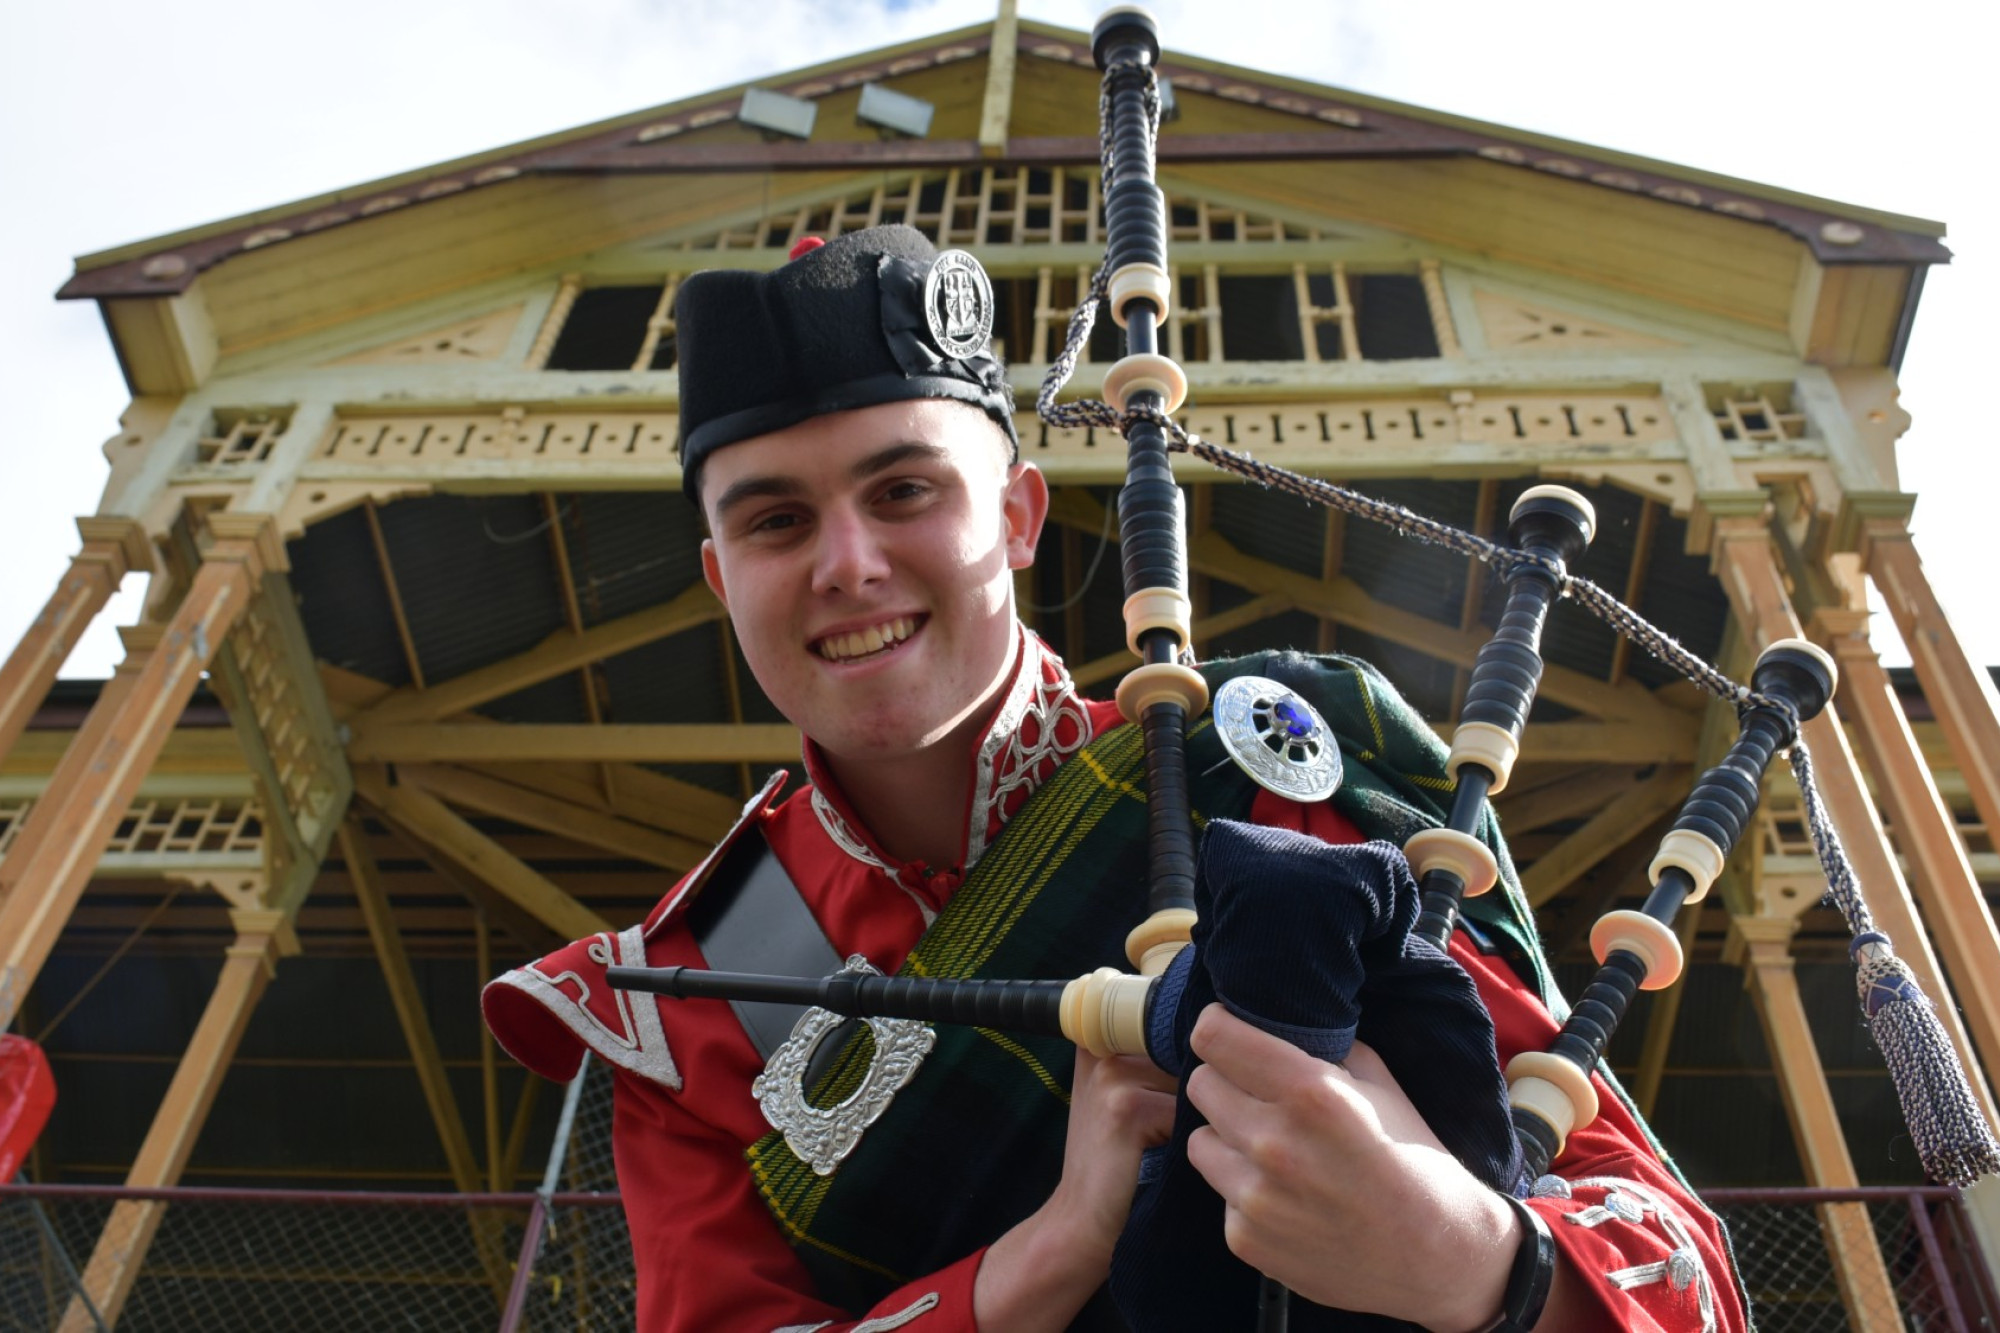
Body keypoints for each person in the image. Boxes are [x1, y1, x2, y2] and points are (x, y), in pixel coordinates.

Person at [483, 226, 1747, 1332]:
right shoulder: (679, 998)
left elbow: (1674, 1256)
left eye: (905, 488)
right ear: (720, 581)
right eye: (774, 521)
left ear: (1020, 517)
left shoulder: (1261, 769)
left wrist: (1477, 1263)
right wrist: (1047, 1254)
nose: (847, 562)